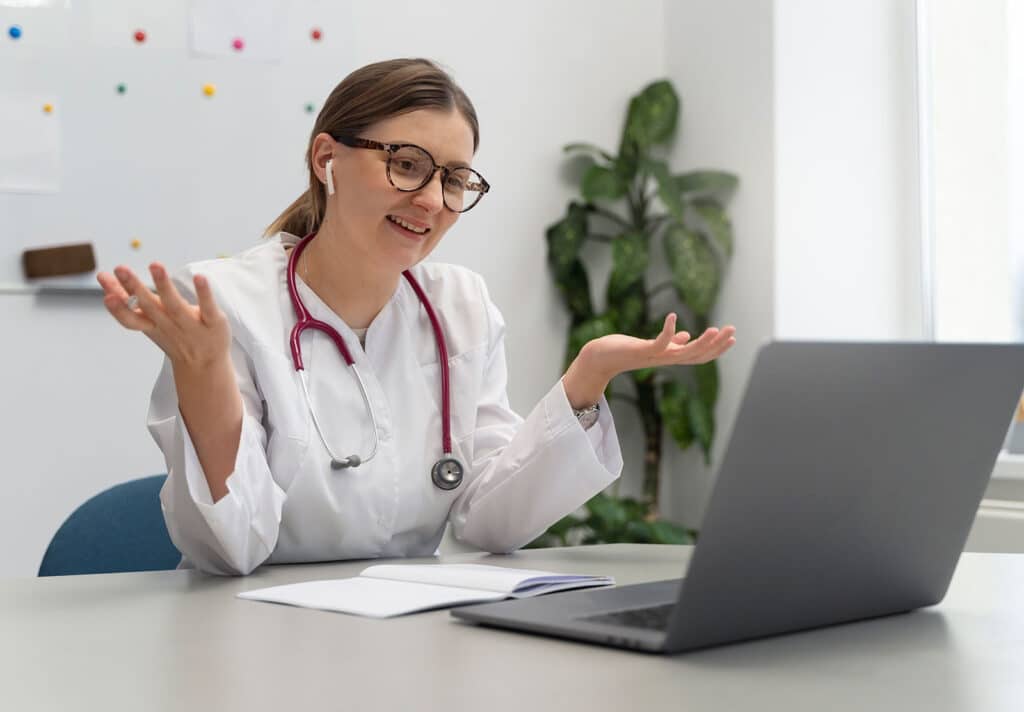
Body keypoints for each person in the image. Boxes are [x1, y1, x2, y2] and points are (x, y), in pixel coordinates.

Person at [96, 58, 736, 576]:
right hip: (249, 638)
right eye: (406, 164)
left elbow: (491, 522)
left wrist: (587, 382)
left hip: (413, 640)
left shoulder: (461, 306)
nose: (431, 200)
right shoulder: (223, 302)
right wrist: (205, 372)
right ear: (328, 159)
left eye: (455, 178)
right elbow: (229, 550)